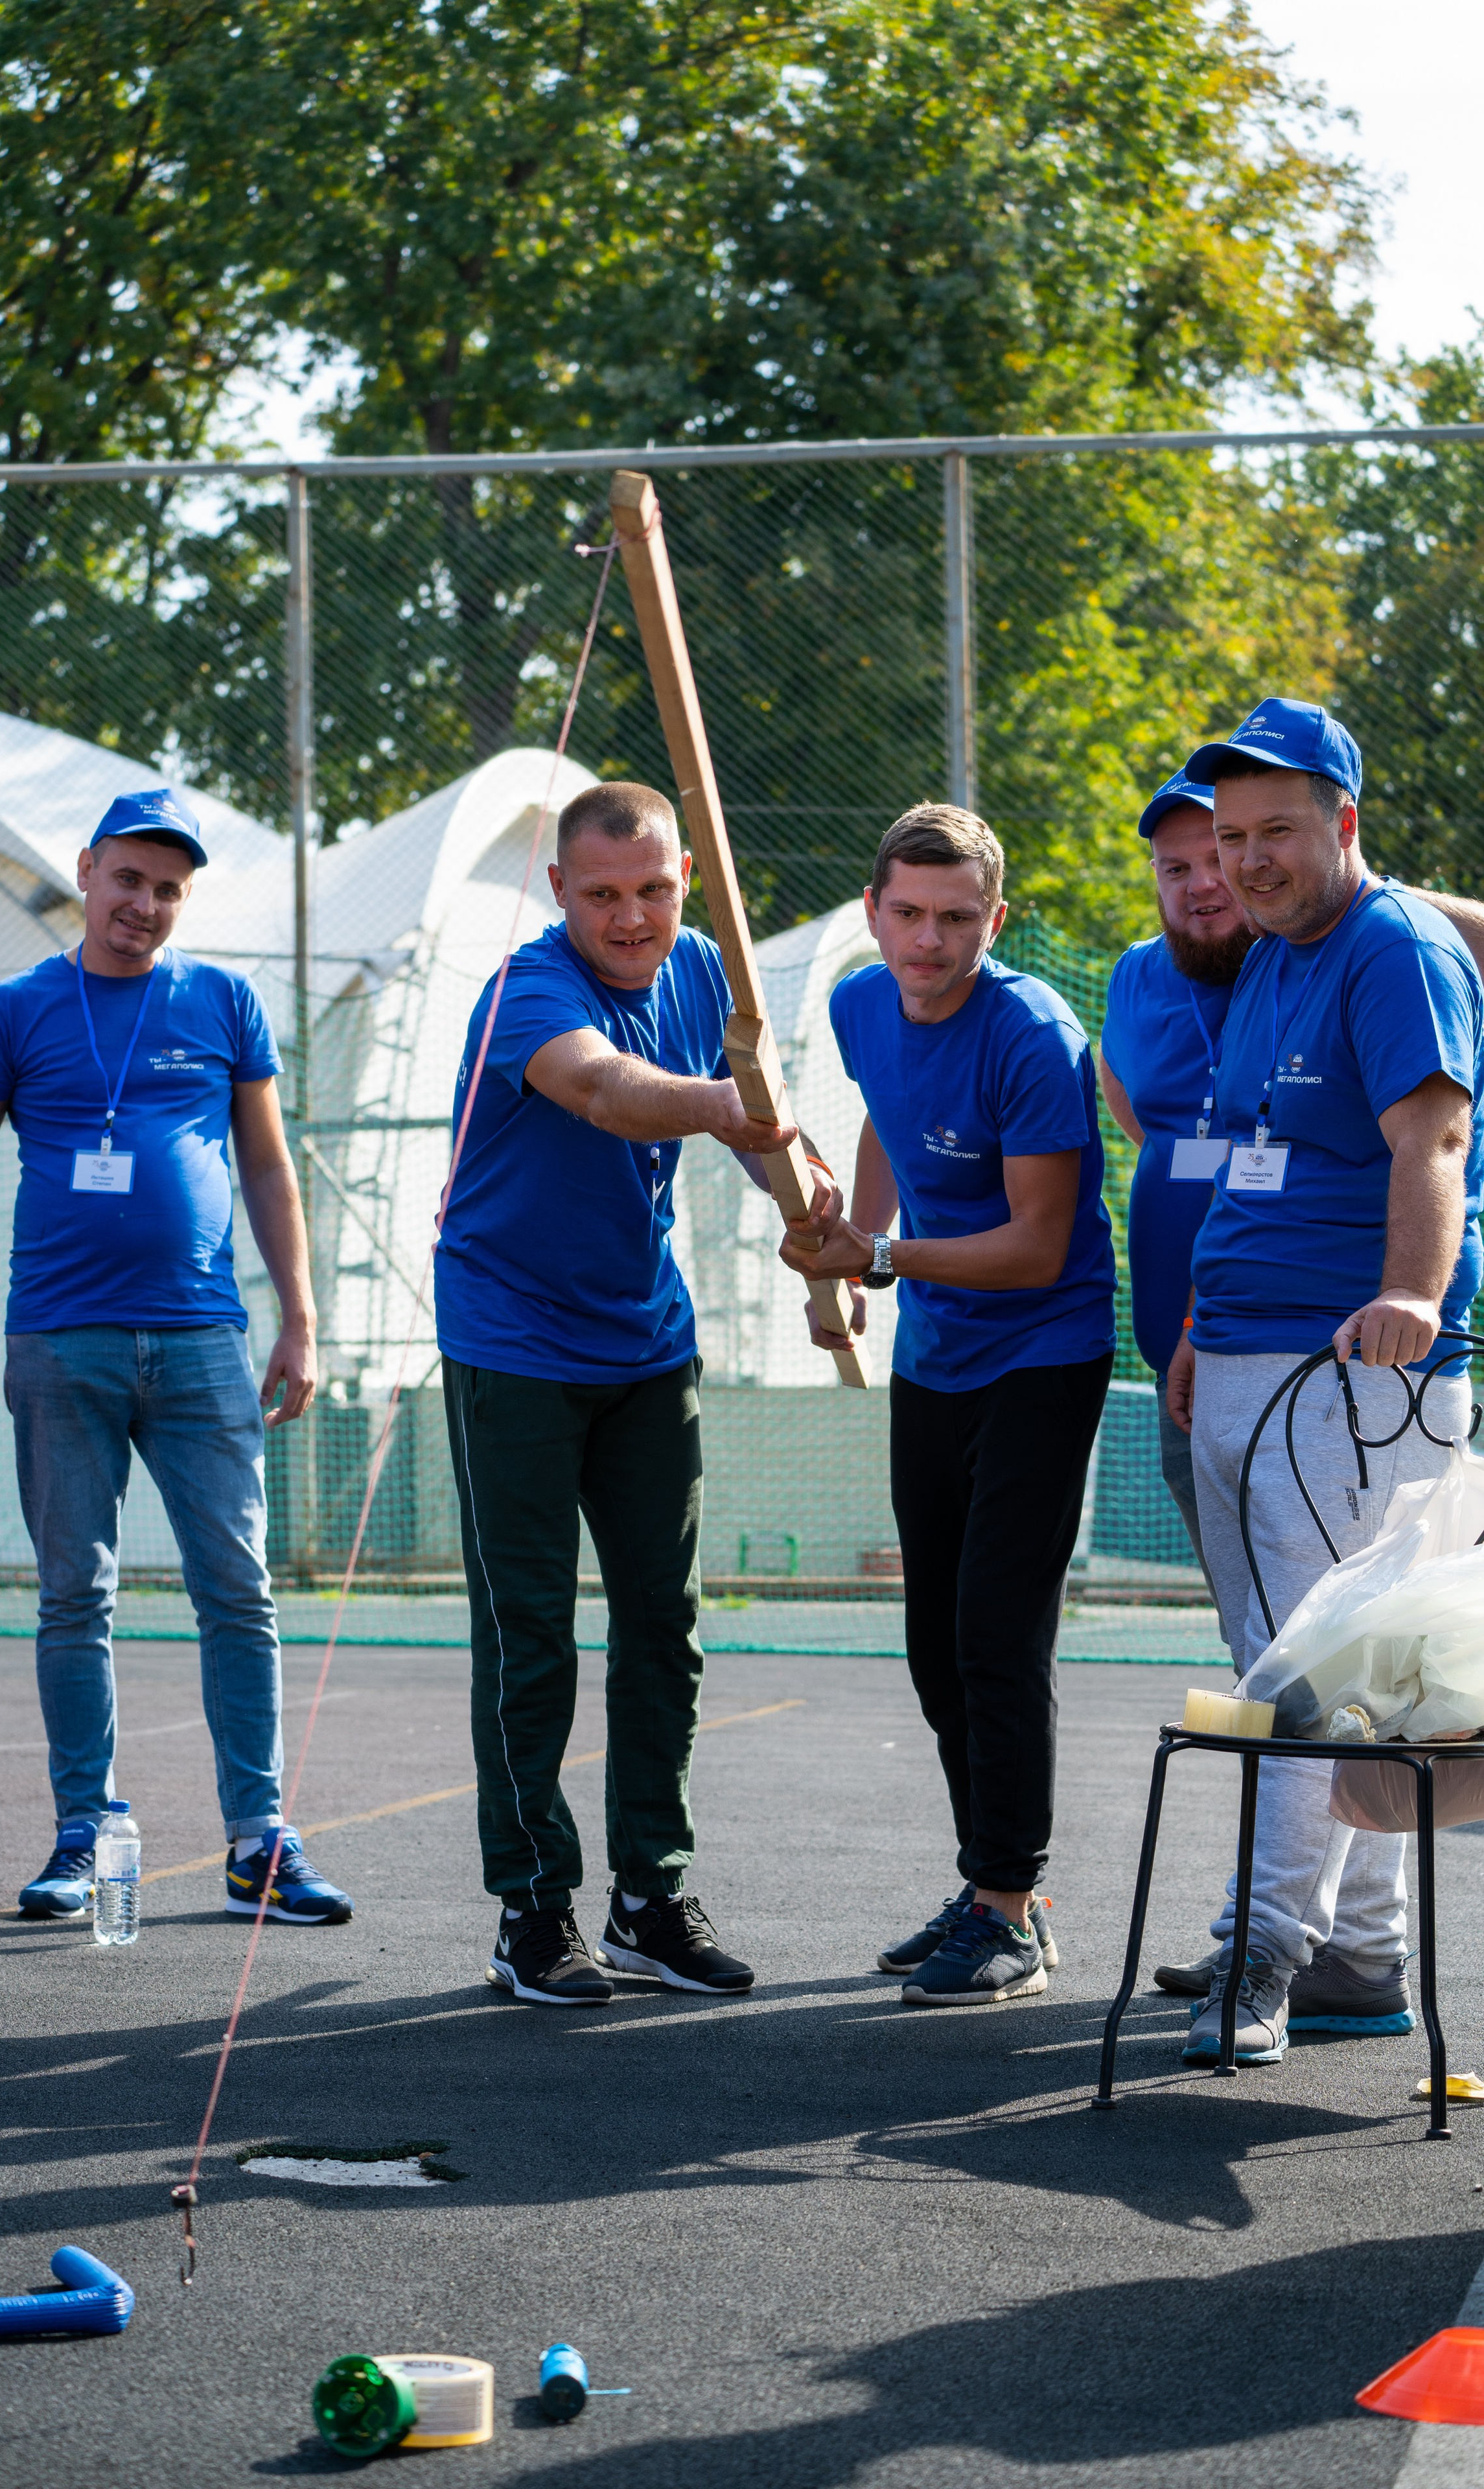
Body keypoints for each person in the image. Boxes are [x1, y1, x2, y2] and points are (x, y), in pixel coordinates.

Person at [0, 788, 353, 1928]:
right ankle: (84, 1832)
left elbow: (268, 1171)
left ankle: (259, 1839)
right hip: (59, 1341)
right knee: (72, 1598)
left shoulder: (225, 1002)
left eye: (168, 890)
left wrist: (299, 1317)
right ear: (88, 871)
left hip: (203, 1339)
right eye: (129, 879)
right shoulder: (14, 1011)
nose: (144, 905)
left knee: (239, 1591)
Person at [432, 779, 826, 2007]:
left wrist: (818, 1221)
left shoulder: (707, 971)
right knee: (531, 1635)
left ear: (685, 883)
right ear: (559, 892)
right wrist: (731, 1106)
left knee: (666, 1623)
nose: (631, 916)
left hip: (647, 1346)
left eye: (653, 889)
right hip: (511, 1342)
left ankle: (651, 1893)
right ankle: (532, 1909)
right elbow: (606, 1092)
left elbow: (762, 1127)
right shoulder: (529, 990)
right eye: (602, 894)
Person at [1163, 699, 1484, 2063]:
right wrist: (1194, 1321)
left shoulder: (1389, 947)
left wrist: (1411, 1291)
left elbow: (1433, 1135)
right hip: (1247, 1357)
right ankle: (1360, 1956)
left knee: (1305, 1683)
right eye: (1227, 835)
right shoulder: (1270, 958)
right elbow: (1254, 1155)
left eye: (1275, 830)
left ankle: (1266, 1955)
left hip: (1351, 1378)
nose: (1243, 859)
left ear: (1342, 824)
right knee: (1310, 1678)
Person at [780, 804, 1117, 2005]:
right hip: (935, 1356)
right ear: (874, 911)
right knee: (934, 1649)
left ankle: (1011, 1914)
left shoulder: (1032, 1031)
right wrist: (850, 1246)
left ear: (996, 919)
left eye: (957, 919)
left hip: (1044, 1348)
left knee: (994, 1637)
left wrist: (878, 1260)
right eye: (909, 915)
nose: (929, 942)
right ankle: (991, 1887)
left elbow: (1034, 1248)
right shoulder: (861, 1002)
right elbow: (884, 1113)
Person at [1098, 769, 1256, 1580]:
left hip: (1276, 1345)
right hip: (1174, 1358)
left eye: (1217, 857)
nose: (1200, 885)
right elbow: (1129, 1101)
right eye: (1174, 868)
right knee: (1239, 1610)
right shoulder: (1135, 973)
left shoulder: (1309, 957)